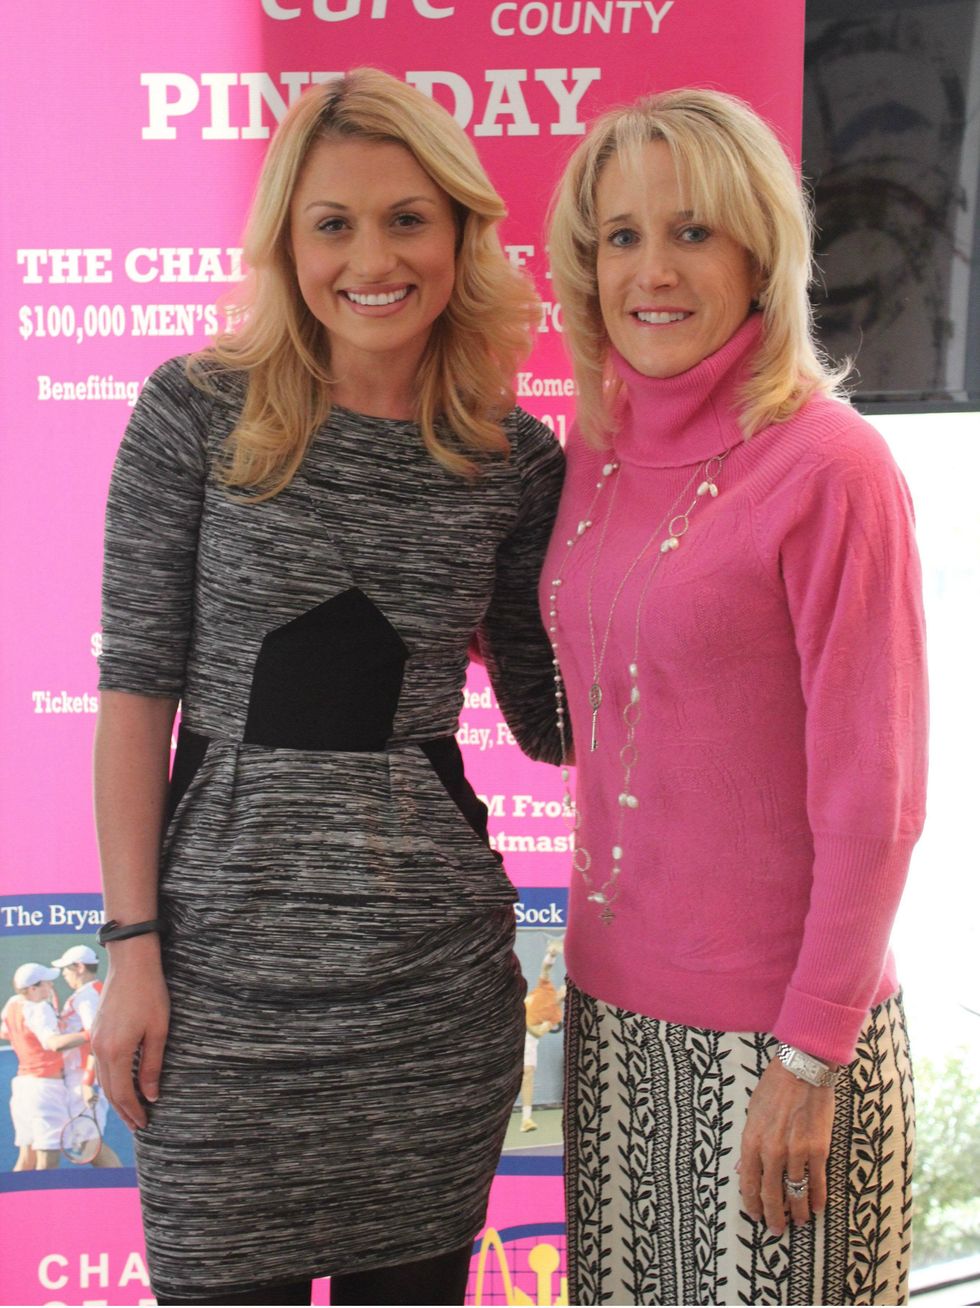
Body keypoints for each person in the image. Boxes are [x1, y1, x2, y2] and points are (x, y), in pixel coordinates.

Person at [92, 68, 564, 1308]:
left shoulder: (511, 458)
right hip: (213, 993)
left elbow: (553, 719)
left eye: (408, 217)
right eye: (332, 222)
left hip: (428, 999)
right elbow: (135, 694)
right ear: (285, 241)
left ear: (460, 232)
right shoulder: (191, 413)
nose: (372, 256)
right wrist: (131, 950)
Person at [545, 88, 927, 1306]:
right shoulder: (589, 455)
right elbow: (593, 686)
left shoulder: (830, 467)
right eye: (620, 236)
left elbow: (877, 798)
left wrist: (808, 1056)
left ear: (759, 250)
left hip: (782, 1041)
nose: (650, 270)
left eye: (693, 232)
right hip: (611, 1018)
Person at [1, 963, 86, 1170]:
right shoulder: (40, 1009)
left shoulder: (13, 1004)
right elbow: (53, 1043)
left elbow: (4, 1032)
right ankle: (44, 1203)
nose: (51, 986)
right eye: (47, 983)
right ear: (33, 989)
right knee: (48, 1161)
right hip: (45, 1090)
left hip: (22, 1088)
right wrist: (92, 1034)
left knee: (26, 1159)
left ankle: (13, 1204)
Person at [52, 945, 122, 1168]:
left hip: (84, 1075)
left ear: (79, 967)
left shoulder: (87, 996)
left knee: (89, 1143)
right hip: (83, 1074)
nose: (63, 973)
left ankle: (122, 1193)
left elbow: (97, 1037)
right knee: (87, 1143)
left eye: (66, 968)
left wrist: (86, 1082)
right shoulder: (92, 992)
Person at [519, 939, 565, 1132]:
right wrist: (552, 954)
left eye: (569, 990)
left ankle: (526, 1119)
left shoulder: (556, 1015)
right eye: (565, 986)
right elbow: (545, 968)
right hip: (510, 1024)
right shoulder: (546, 988)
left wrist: (530, 1024)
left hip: (528, 1038)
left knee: (528, 1074)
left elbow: (537, 1032)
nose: (565, 990)